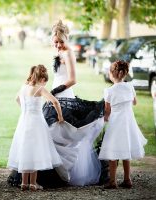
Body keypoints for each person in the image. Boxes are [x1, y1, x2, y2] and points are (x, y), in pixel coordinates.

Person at [43, 20, 105, 186]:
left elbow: (73, 79)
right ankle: (52, 169)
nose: (58, 45)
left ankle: (66, 169)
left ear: (67, 39)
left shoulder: (68, 53)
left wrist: (55, 92)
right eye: (55, 42)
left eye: (61, 41)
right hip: (54, 92)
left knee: (62, 130)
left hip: (63, 94)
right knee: (51, 128)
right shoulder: (57, 52)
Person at [7, 65, 64, 191]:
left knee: (25, 149)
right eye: (45, 81)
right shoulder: (40, 89)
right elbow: (55, 101)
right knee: (35, 150)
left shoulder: (23, 87)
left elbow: (16, 99)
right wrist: (60, 116)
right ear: (42, 79)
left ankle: (23, 183)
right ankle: (33, 183)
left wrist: (24, 110)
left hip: (23, 121)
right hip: (36, 122)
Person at [99, 60, 147, 189]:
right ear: (125, 74)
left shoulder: (108, 91)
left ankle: (112, 181)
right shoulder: (130, 86)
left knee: (112, 152)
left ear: (112, 74)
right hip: (128, 122)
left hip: (116, 123)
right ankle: (127, 179)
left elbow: (107, 111)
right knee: (126, 152)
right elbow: (135, 102)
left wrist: (103, 120)